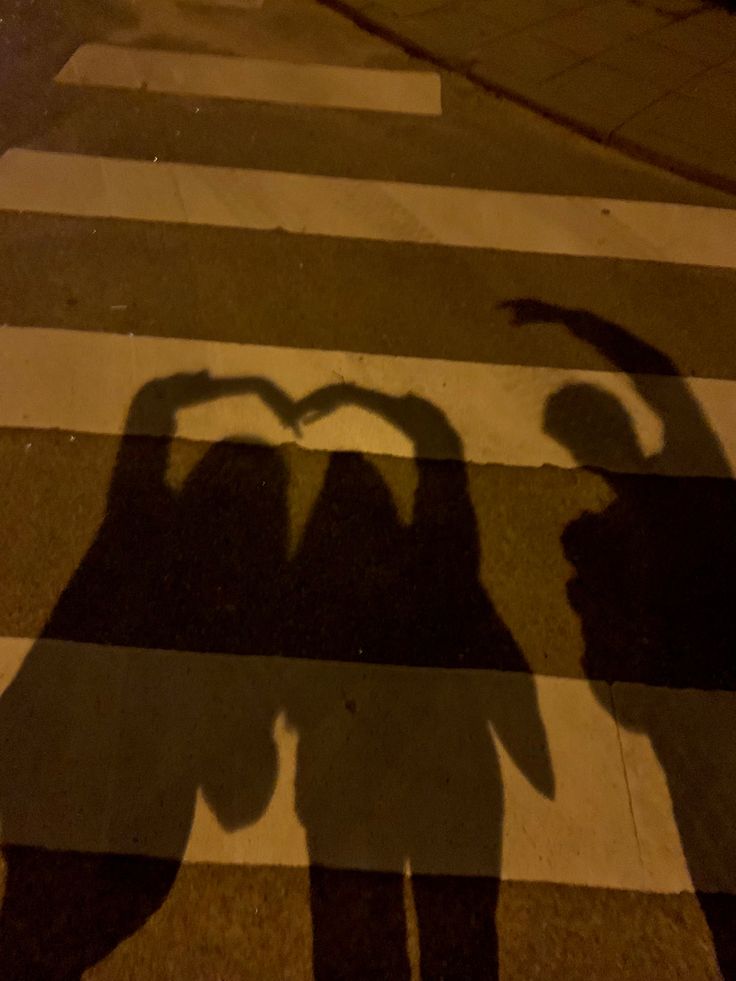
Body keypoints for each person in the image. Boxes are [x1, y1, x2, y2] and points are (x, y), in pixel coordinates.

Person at [0, 372, 293, 980]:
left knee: (34, 932)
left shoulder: (141, 520)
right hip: (108, 829)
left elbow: (150, 408)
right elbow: (240, 799)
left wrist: (237, 384)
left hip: (33, 765)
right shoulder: (238, 630)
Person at [287, 384, 554, 980]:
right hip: (452, 772)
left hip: (346, 782)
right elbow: (439, 440)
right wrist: (354, 395)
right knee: (459, 942)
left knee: (354, 944)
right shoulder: (441, 563)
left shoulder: (319, 607)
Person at [503, 299, 736, 978]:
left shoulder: (675, 485)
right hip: (689, 742)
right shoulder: (687, 475)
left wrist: (569, 318)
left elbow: (621, 678)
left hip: (696, 743)